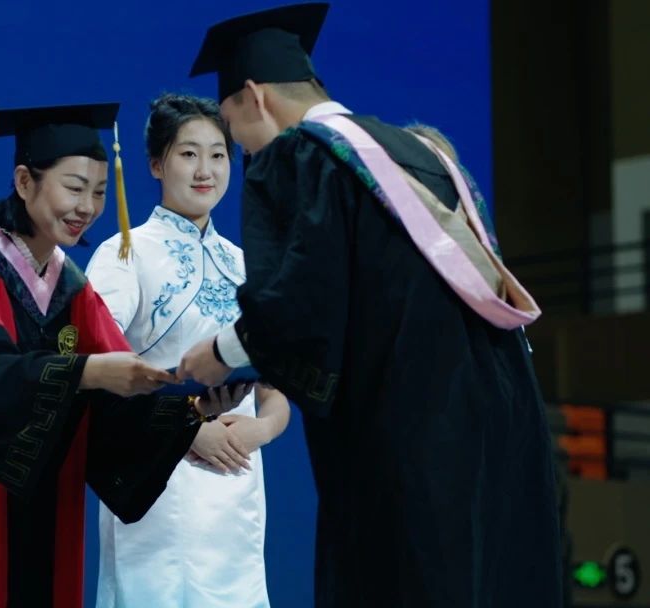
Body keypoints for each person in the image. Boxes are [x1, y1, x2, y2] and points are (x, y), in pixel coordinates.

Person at [178, 4, 563, 607]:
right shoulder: (423, 155)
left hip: (412, 432)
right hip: (502, 420)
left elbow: (299, 302)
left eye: (231, 127)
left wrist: (223, 352)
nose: (242, 147)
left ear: (254, 97)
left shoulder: (305, 156)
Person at [0, 103, 240, 608]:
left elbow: (113, 402)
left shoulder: (70, 287)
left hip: (36, 505)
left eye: (98, 192)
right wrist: (86, 371)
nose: (88, 207)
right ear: (24, 181)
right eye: (74, 188)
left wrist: (191, 412)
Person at [87, 93, 290, 608]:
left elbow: (275, 386)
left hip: (238, 480)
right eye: (188, 154)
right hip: (158, 474)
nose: (206, 170)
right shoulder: (125, 253)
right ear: (157, 164)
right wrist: (188, 428)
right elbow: (99, 367)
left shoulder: (245, 264)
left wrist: (263, 428)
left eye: (218, 154)